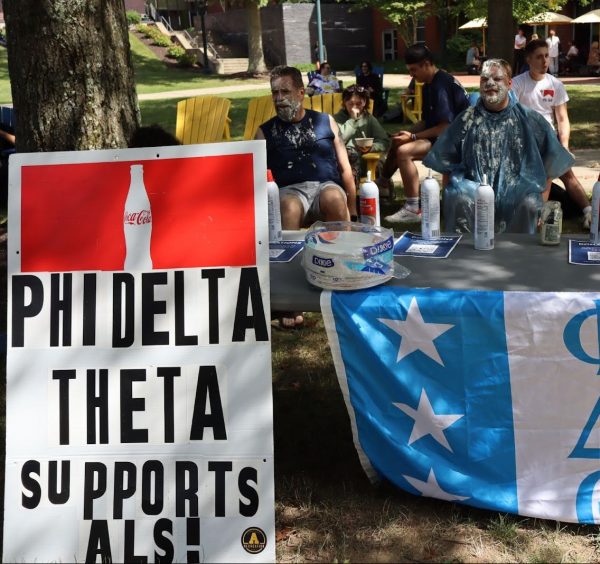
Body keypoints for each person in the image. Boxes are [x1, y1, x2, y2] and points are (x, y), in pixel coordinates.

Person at [423, 59, 574, 234]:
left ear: (510, 84)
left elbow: (550, 165)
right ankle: (465, 251)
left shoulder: (530, 120)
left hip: (518, 190)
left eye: (497, 79)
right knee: (458, 197)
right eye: (484, 79)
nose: (490, 84)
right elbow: (446, 162)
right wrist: (449, 199)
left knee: (530, 204)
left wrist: (543, 204)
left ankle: (517, 255)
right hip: (474, 189)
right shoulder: (466, 120)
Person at [256, 65, 355, 328]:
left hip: (325, 186)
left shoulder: (325, 121)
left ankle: (343, 280)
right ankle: (289, 301)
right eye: (274, 93)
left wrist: (354, 209)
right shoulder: (265, 132)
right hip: (289, 190)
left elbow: (345, 168)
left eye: (285, 91)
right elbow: (254, 179)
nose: (279, 99)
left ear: (301, 93)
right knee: (287, 207)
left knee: (335, 199)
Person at [380, 44, 470, 224]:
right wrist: (408, 132)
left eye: (414, 70)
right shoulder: (430, 83)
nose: (412, 75)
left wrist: (413, 137)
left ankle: (413, 208)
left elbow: (445, 127)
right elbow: (428, 122)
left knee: (405, 152)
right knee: (398, 142)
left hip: (460, 143)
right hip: (446, 137)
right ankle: (383, 184)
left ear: (427, 64)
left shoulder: (440, 86)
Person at [512, 39, 592, 227]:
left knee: (568, 175)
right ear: (529, 59)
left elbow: (562, 119)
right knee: (543, 177)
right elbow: (512, 118)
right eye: (539, 57)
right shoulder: (517, 84)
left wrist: (563, 146)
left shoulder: (556, 84)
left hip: (550, 140)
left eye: (547, 56)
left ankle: (589, 213)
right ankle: (538, 217)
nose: (545, 61)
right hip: (526, 142)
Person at [334, 85, 390, 190]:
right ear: (344, 103)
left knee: (382, 162)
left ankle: (380, 193)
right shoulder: (336, 119)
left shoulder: (368, 119)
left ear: (365, 103)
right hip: (345, 163)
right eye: (350, 104)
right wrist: (352, 120)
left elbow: (384, 141)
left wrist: (371, 147)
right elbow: (338, 139)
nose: (354, 108)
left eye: (359, 104)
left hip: (368, 162)